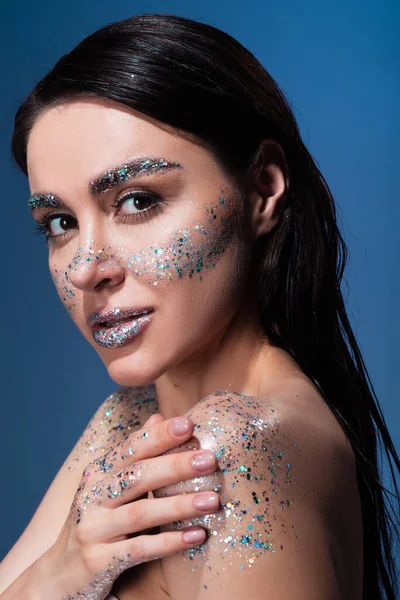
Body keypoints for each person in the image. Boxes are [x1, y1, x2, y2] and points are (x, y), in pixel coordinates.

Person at [1, 12, 399, 600]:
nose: (86, 268)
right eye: (59, 222)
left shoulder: (228, 450)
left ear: (262, 189)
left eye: (137, 200)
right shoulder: (131, 421)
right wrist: (54, 577)